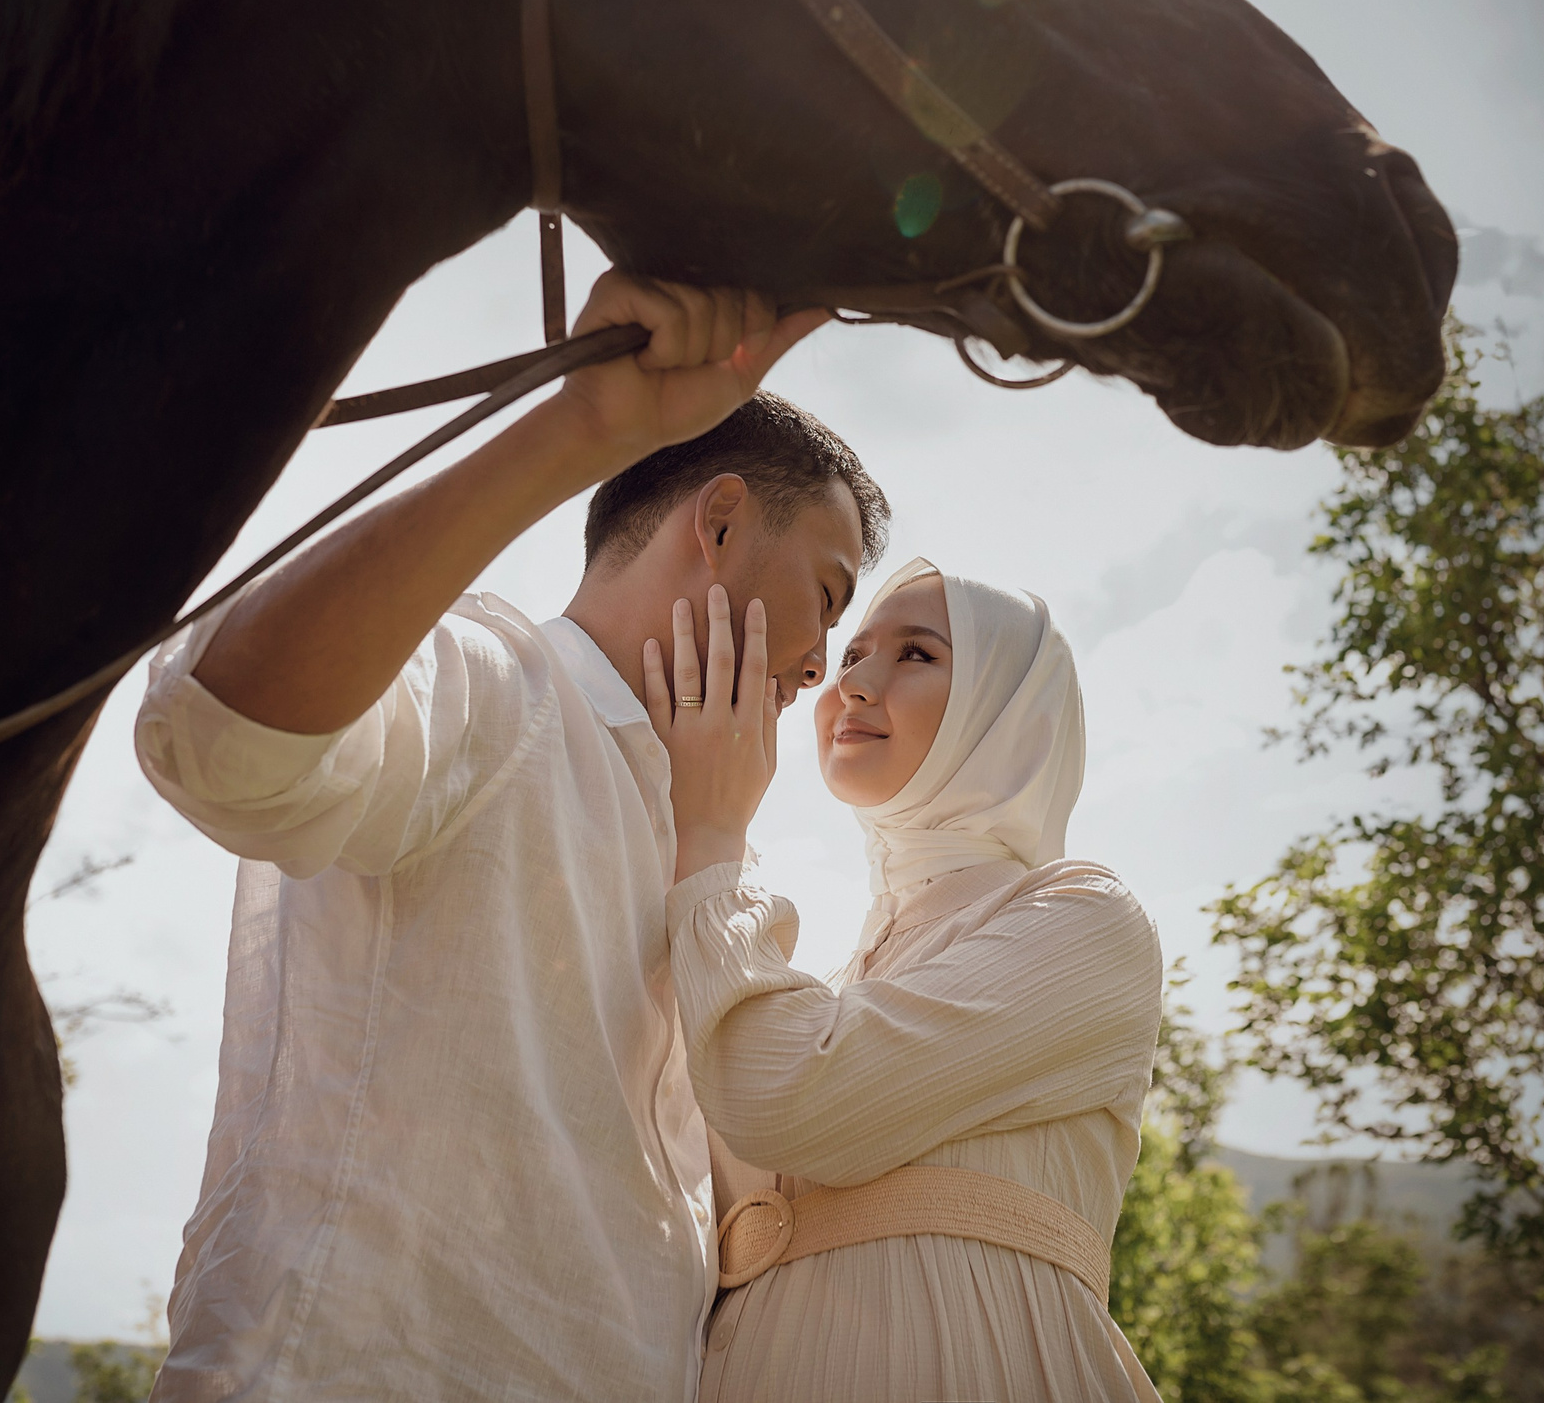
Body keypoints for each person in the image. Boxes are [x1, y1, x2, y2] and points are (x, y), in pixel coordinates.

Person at [132, 272, 887, 1402]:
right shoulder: (499, 690)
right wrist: (578, 427)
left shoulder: (714, 853)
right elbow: (219, 739)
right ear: (720, 519)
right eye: (826, 596)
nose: (824, 662)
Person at [648, 557, 1165, 1403]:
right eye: (851, 655)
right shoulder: (820, 984)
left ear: (1008, 707)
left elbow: (791, 1097)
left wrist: (712, 834)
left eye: (917, 654)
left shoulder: (1087, 918)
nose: (854, 684)